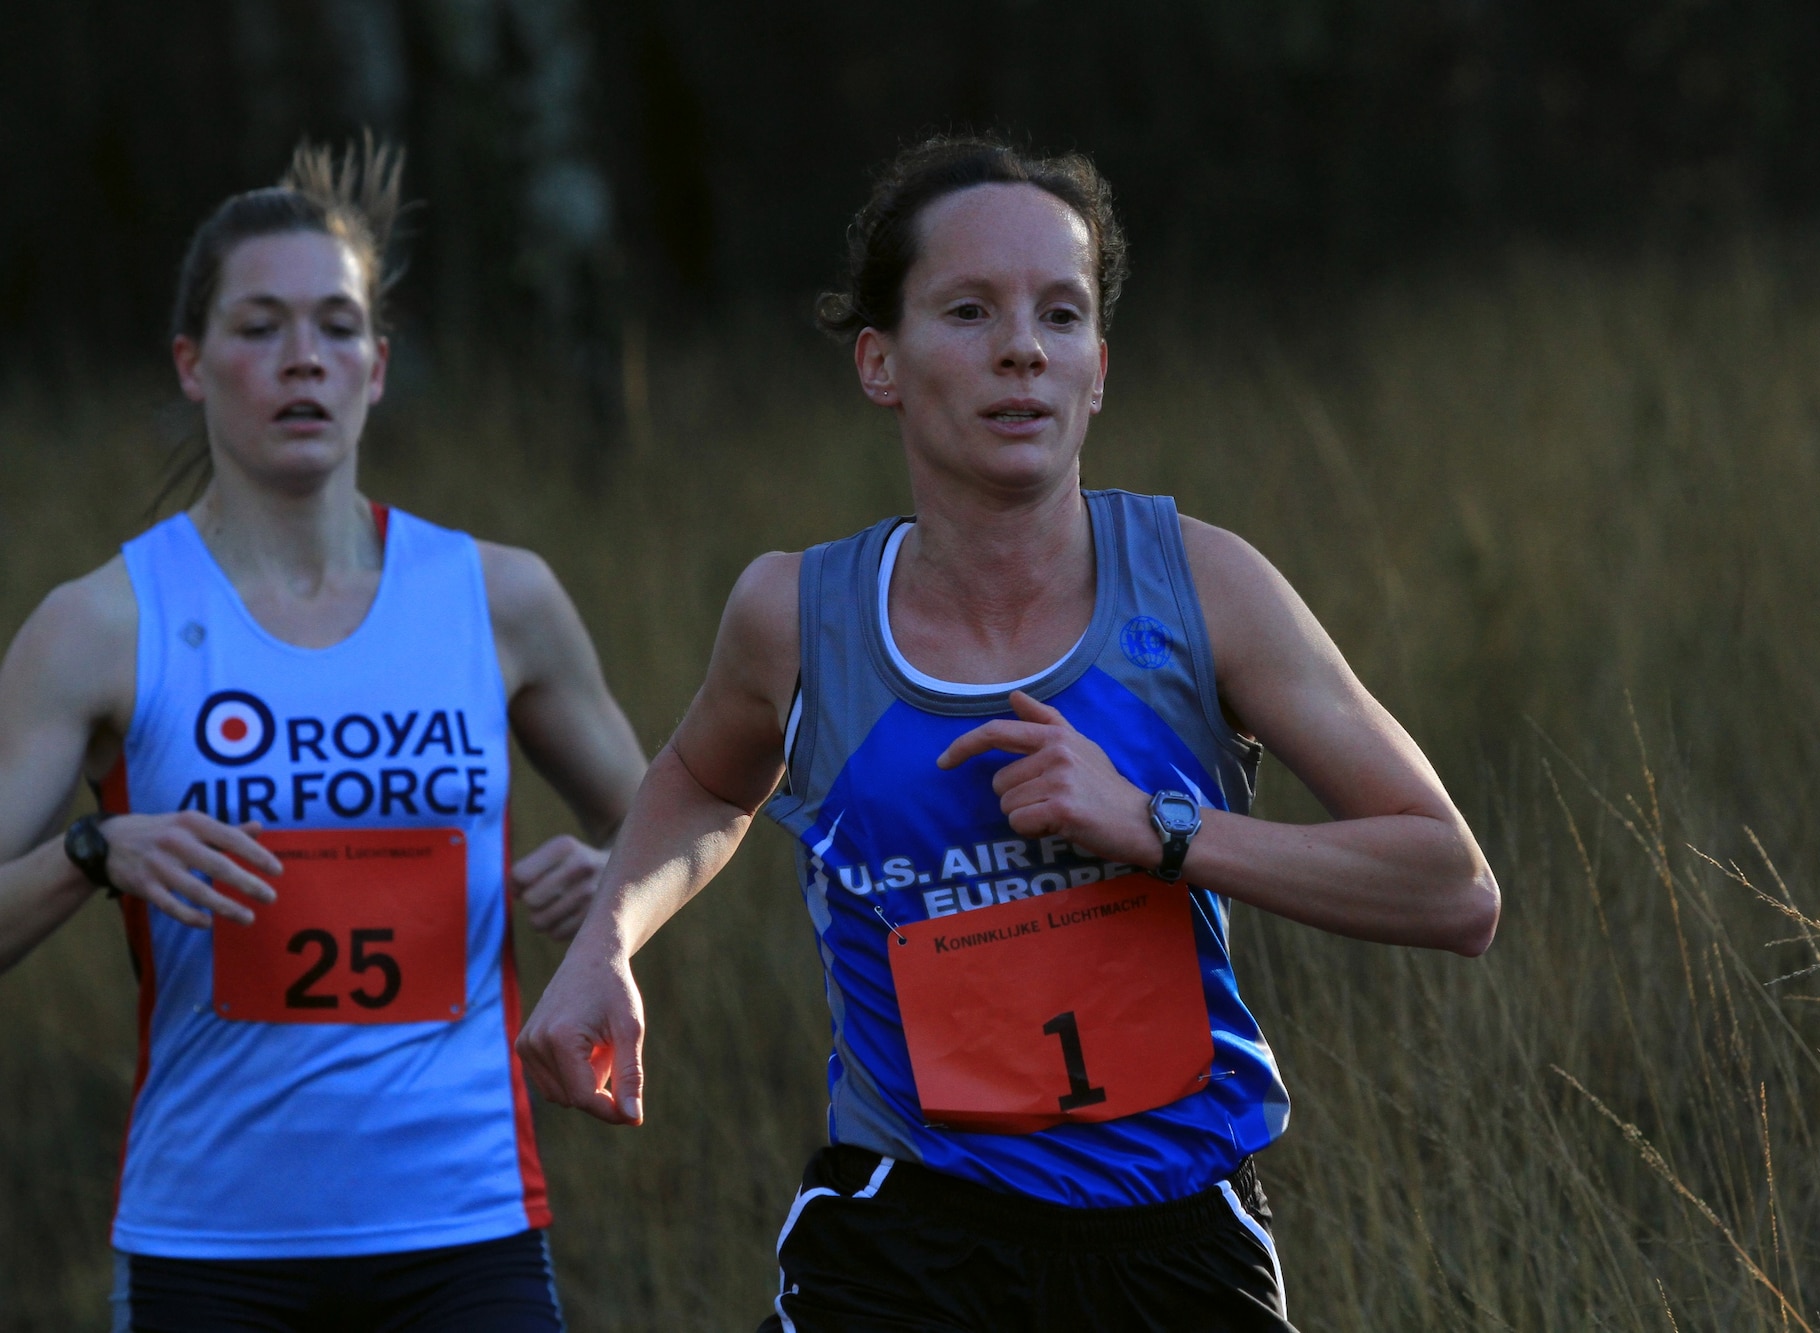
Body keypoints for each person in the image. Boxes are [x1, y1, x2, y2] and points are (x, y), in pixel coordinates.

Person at [517, 135, 1501, 1331]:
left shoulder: (1206, 588)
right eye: (969, 310)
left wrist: (1158, 828)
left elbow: (1452, 886)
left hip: (1173, 1228)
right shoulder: (795, 615)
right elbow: (703, 785)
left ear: (1097, 369)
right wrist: (605, 942)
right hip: (904, 1235)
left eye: (1060, 313)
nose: (1020, 348)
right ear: (879, 360)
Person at [0, 141, 647, 1331]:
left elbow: (670, 822)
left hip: (467, 1230)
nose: (303, 358)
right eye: (260, 327)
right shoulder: (101, 626)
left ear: (378, 366)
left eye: (337, 327)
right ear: (192, 365)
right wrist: (93, 855)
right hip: (211, 1246)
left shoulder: (495, 598)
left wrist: (616, 887)